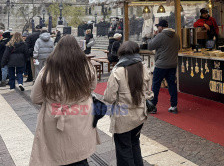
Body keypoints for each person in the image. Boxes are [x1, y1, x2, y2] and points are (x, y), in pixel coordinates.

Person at [29, 35, 99, 166]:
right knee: (79, 154)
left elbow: (35, 97)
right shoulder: (87, 67)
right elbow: (92, 87)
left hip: (56, 116)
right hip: (81, 114)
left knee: (58, 155)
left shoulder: (48, 69)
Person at [104, 41, 153, 166]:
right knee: (135, 144)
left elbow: (109, 98)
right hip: (140, 114)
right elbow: (149, 93)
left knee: (124, 149)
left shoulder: (117, 71)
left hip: (123, 116)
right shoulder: (143, 68)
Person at [148, 20, 180, 114]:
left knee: (156, 85)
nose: (158, 28)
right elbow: (179, 47)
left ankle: (153, 106)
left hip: (161, 65)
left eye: (158, 27)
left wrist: (155, 35)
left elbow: (150, 46)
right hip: (173, 64)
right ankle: (174, 106)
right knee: (172, 85)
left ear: (161, 27)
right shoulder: (176, 35)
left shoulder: (160, 35)